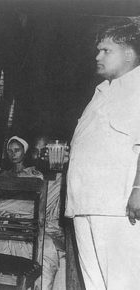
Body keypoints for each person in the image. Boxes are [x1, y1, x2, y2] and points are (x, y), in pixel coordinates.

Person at [65, 19, 140, 290]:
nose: (97, 56)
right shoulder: (101, 92)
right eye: (98, 50)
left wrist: (139, 188)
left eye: (106, 50)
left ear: (129, 54)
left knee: (123, 283)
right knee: (95, 284)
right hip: (86, 205)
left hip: (117, 208)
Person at [0, 136, 65, 290]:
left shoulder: (34, 173)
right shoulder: (2, 175)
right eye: (9, 151)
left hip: (29, 217)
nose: (13, 154)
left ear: (25, 152)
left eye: (17, 150)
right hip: (7, 219)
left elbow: (38, 200)